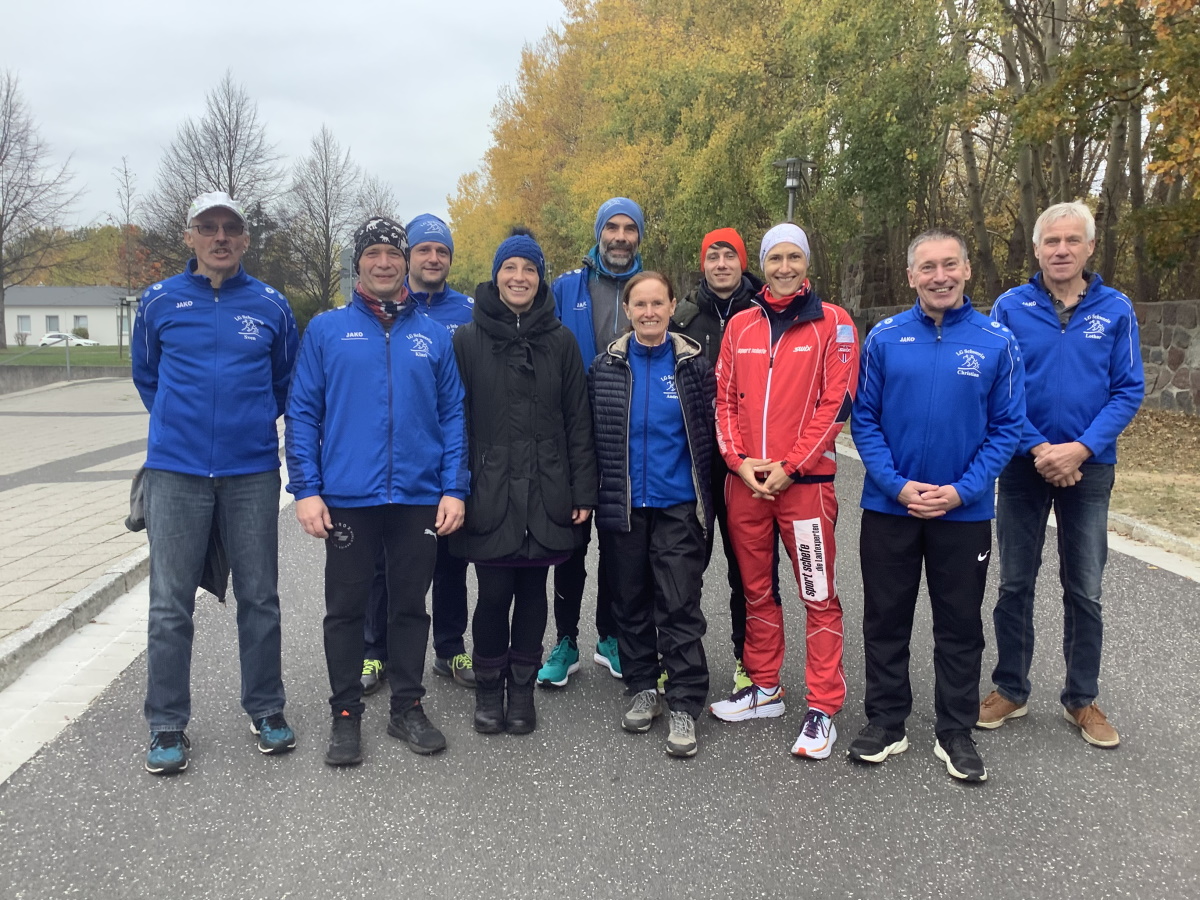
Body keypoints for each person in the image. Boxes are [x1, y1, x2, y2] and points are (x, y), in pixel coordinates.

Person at [286, 216, 468, 766]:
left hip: (416, 495)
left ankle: (407, 707)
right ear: (358, 262)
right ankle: (346, 714)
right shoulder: (326, 330)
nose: (385, 262)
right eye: (374, 253)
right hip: (348, 496)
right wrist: (306, 489)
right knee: (345, 609)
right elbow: (302, 413)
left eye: (393, 252)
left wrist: (454, 488)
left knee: (411, 606)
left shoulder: (432, 336)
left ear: (405, 260)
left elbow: (453, 415)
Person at [848, 228, 1024, 783]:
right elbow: (865, 420)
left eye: (950, 265)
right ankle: (887, 721)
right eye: (928, 268)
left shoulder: (998, 341)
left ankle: (955, 730)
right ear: (911, 277)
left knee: (959, 625)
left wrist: (961, 490)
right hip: (889, 507)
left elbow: (1007, 428)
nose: (939, 276)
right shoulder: (884, 338)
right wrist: (897, 485)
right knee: (885, 619)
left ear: (967, 271)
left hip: (962, 512)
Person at [132, 190, 299, 775]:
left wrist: (245, 424)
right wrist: (182, 427)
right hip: (176, 473)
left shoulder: (273, 306)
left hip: (251, 471)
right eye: (208, 227)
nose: (220, 237)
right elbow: (147, 376)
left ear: (247, 239)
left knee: (260, 597)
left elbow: (284, 383)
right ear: (190, 236)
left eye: (231, 228)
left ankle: (266, 708)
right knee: (170, 603)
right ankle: (166, 723)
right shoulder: (157, 302)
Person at [979, 202, 1143, 748]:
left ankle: (1081, 699)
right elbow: (1000, 388)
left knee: (1086, 588)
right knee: (1014, 582)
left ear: (1089, 248)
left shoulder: (1115, 309)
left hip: (1090, 468)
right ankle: (1011, 688)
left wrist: (1079, 449)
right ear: (1037, 248)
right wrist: (1040, 448)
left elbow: (1128, 390)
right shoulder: (1010, 307)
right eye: (1052, 241)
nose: (1062, 250)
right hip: (1024, 466)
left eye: (1073, 240)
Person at [709, 223, 859, 761]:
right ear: (764, 265)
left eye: (794, 257)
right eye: (776, 258)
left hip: (806, 488)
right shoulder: (741, 325)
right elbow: (723, 399)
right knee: (755, 591)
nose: (784, 267)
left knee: (817, 595)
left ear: (806, 264)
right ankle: (765, 685)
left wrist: (791, 467)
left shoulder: (835, 323)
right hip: (746, 484)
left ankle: (823, 704)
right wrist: (738, 461)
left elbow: (835, 405)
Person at [451, 229, 598, 735]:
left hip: (546, 489)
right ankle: (489, 688)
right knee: (492, 593)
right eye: (510, 268)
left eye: (529, 270)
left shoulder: (560, 342)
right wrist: (456, 487)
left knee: (535, 592)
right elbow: (456, 420)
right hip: (488, 491)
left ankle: (522, 690)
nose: (519, 278)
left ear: (540, 279)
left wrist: (583, 491)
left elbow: (578, 421)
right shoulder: (467, 341)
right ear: (496, 274)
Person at [591, 272, 715, 757]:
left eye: (656, 303)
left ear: (671, 306)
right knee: (630, 603)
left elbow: (710, 436)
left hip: (677, 506)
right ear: (627, 309)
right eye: (639, 304)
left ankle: (684, 701)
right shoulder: (606, 366)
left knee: (679, 604)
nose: (648, 312)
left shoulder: (692, 365)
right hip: (623, 507)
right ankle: (643, 686)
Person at [358, 213, 476, 696]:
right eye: (424, 249)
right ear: (411, 258)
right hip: (390, 463)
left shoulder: (468, 311)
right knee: (383, 564)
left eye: (442, 251)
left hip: (447, 457)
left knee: (451, 559)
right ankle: (374, 651)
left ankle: (450, 648)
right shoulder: (384, 311)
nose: (433, 258)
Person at [539, 197, 645, 687]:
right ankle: (564, 640)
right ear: (599, 232)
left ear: (639, 237)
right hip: (573, 440)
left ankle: (611, 636)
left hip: (627, 441)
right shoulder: (565, 288)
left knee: (621, 546)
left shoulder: (650, 291)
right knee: (570, 544)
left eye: (629, 229)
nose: (620, 237)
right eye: (612, 228)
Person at [671, 227, 775, 694]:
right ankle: (678, 660)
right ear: (703, 265)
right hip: (697, 462)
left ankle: (748, 659)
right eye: (712, 256)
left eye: (729, 255)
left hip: (750, 461)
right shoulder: (684, 318)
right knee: (685, 568)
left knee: (749, 569)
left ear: (742, 261)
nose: (720, 264)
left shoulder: (766, 312)